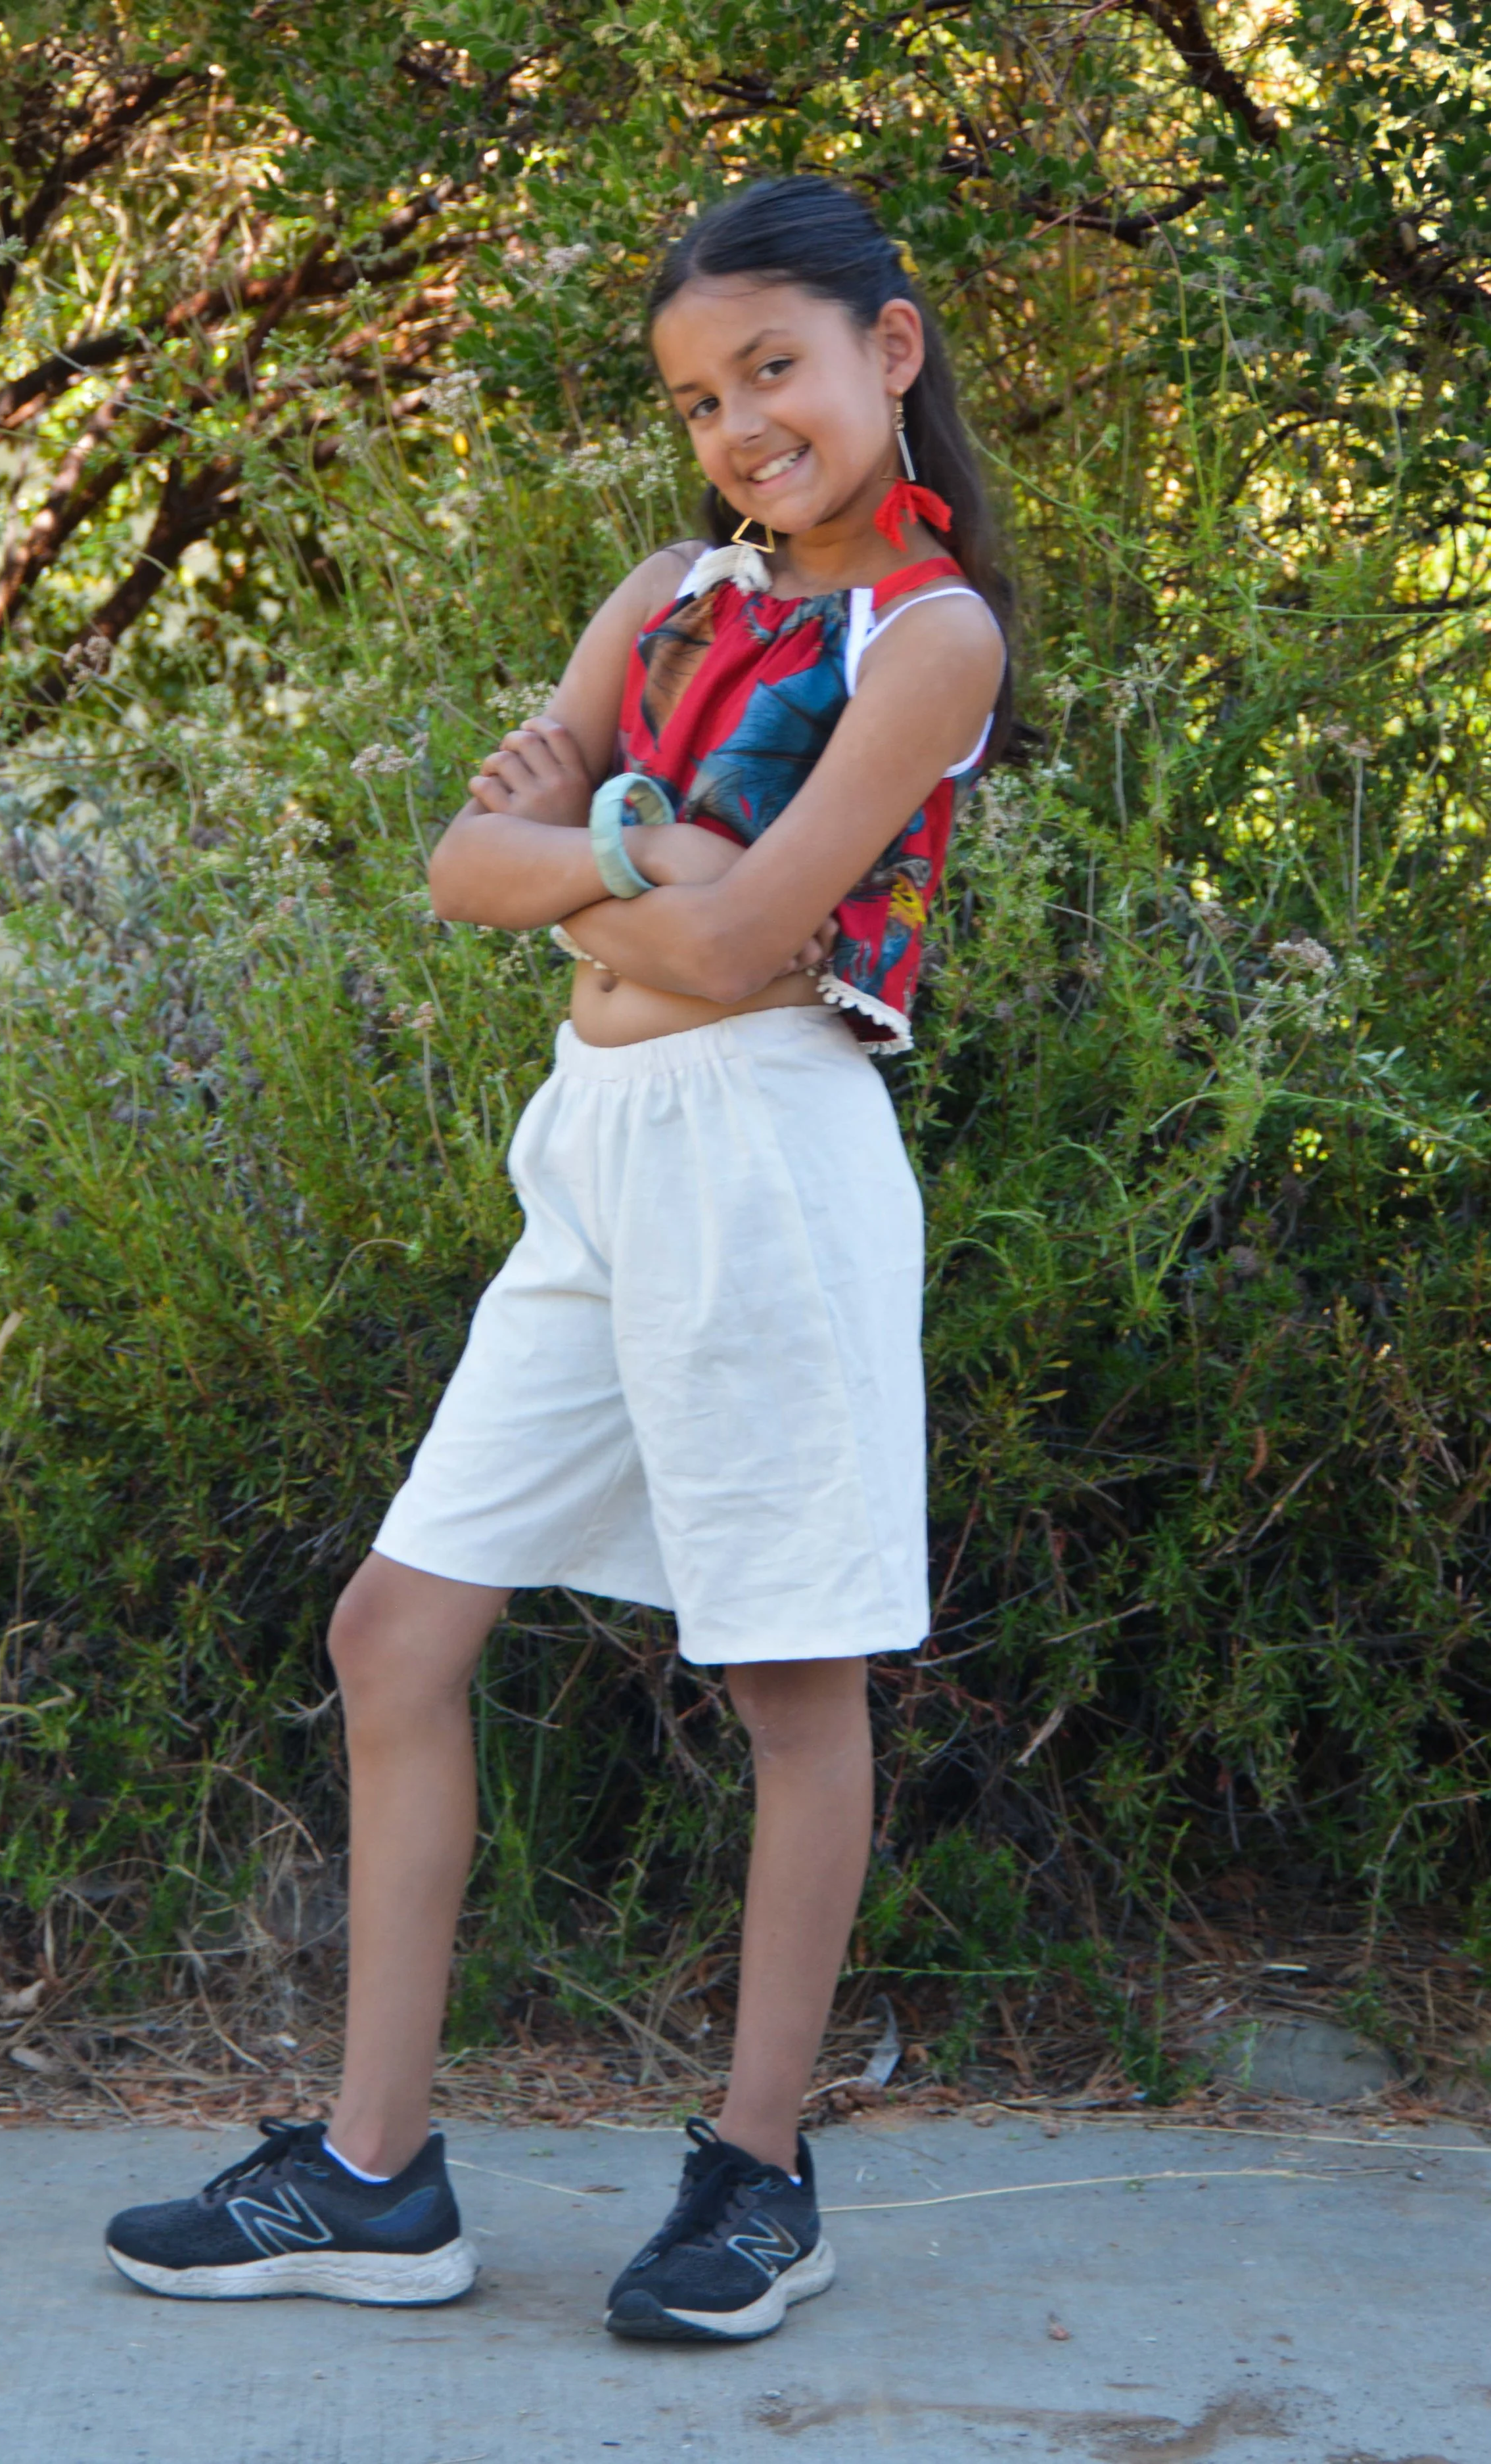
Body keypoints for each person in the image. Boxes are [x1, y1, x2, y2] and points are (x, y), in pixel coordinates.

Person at [104, 173, 1010, 2345]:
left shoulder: (927, 632)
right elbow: (462, 859)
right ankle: (375, 2172)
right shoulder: (666, 598)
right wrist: (632, 846)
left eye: (773, 369)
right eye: (702, 395)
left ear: (888, 352)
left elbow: (739, 939)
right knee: (395, 1627)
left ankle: (757, 2171)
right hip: (596, 1153)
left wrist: (588, 863)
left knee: (790, 1675)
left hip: (770, 1159)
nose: (739, 426)